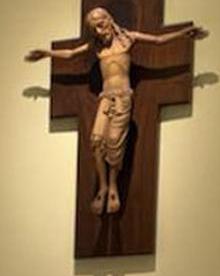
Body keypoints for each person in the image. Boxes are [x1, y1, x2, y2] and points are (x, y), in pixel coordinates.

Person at [25, 7, 206, 214]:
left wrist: (183, 33)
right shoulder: (96, 47)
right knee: (96, 140)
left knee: (113, 142)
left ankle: (113, 187)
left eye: (101, 24)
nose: (99, 31)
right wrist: (47, 54)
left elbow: (158, 41)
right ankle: (102, 186)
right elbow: (71, 53)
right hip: (105, 96)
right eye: (94, 29)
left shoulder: (128, 39)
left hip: (123, 96)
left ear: (109, 20)